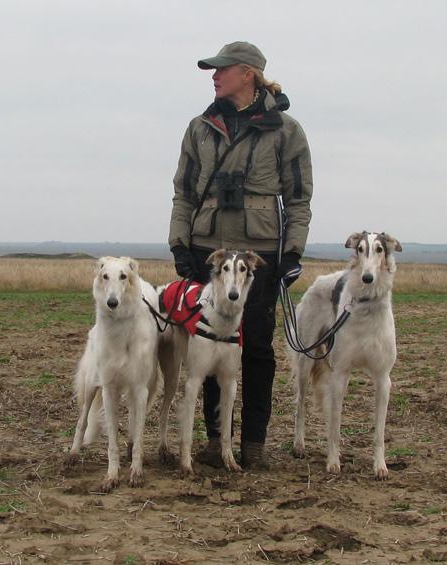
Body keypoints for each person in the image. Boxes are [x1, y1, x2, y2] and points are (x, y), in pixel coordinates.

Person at [168, 41, 313, 469]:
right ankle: (217, 442)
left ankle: (253, 444)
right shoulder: (199, 127)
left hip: (261, 256)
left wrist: (293, 253)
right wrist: (179, 244)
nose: (214, 76)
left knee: (257, 348)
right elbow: (183, 191)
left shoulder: (287, 131)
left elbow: (299, 199)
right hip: (207, 250)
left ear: (247, 74)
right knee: (208, 345)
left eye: (221, 69)